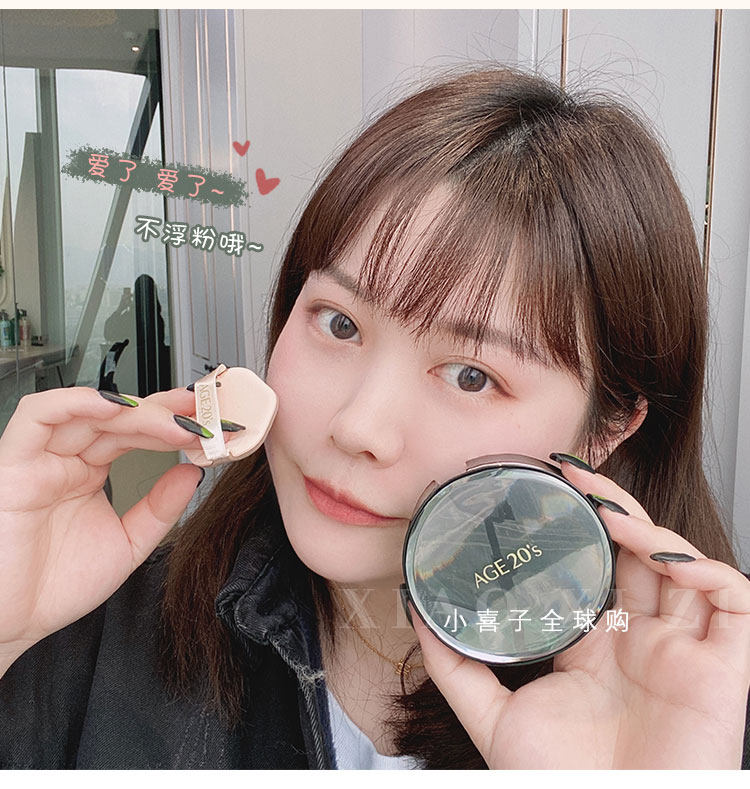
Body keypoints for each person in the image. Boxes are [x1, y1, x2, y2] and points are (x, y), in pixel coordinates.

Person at [0, 66, 749, 770]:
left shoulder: (700, 703)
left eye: (471, 375)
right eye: (340, 323)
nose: (357, 426)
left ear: (607, 429)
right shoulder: (101, 628)